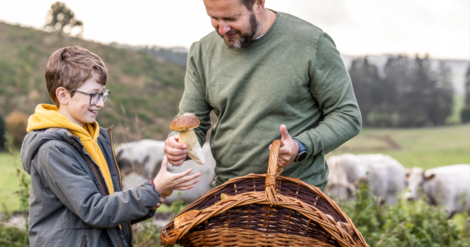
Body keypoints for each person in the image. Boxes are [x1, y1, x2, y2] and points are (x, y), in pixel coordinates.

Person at [164, 0, 362, 191]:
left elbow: (347, 115)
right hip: (228, 193)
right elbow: (191, 121)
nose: (222, 29)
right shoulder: (201, 51)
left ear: (259, 3)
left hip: (296, 196)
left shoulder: (312, 43)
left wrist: (301, 146)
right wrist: (177, 144)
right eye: (214, 18)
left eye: (231, 18)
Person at [21, 46, 201, 247]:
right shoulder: (53, 150)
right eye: (93, 95)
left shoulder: (95, 139)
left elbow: (110, 210)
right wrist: (152, 188)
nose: (100, 104)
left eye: (102, 94)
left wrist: (153, 196)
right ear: (63, 95)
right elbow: (94, 210)